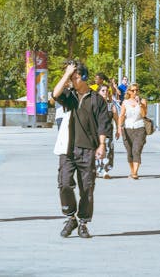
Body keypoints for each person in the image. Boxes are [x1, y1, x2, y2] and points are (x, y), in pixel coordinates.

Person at [52, 61, 111, 239]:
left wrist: (101, 145)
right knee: (64, 184)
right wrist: (66, 74)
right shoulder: (69, 97)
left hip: (87, 150)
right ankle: (71, 217)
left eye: (76, 77)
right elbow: (55, 94)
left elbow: (103, 124)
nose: (73, 81)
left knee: (87, 188)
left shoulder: (97, 99)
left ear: (84, 77)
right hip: (68, 149)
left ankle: (83, 222)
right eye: (71, 78)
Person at [118, 83, 148, 180]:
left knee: (137, 150)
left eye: (137, 90)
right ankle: (132, 171)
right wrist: (119, 128)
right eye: (133, 90)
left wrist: (140, 104)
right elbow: (122, 116)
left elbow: (144, 115)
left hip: (140, 128)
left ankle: (135, 172)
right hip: (127, 128)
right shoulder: (125, 102)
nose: (135, 92)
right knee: (130, 152)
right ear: (129, 92)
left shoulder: (143, 101)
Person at [96, 80, 118, 180]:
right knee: (96, 151)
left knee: (108, 151)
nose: (105, 92)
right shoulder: (95, 104)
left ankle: (106, 171)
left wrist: (118, 129)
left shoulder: (111, 105)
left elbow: (116, 118)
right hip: (96, 132)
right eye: (103, 90)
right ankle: (96, 169)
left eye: (106, 91)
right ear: (98, 92)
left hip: (108, 131)